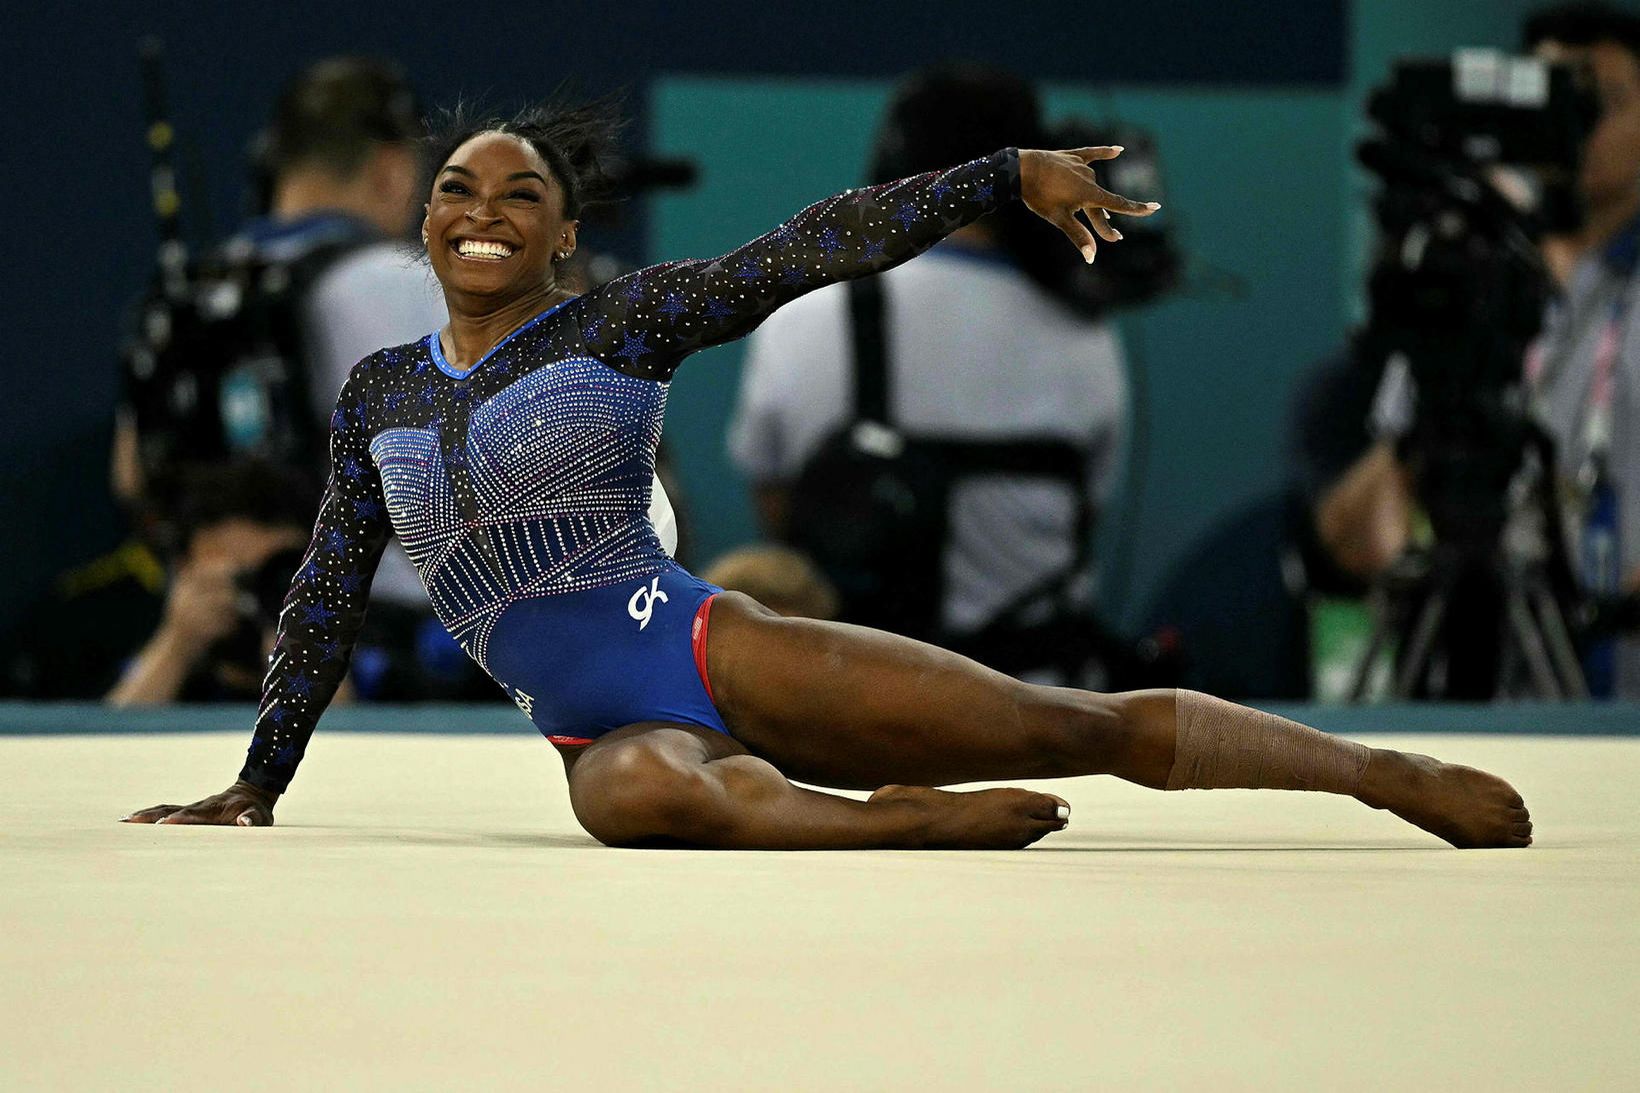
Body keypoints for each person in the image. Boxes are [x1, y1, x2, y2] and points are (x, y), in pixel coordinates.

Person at [122, 102, 1531, 850]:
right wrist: (258, 782)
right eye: (455, 191)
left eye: (519, 196)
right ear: (426, 219)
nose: (478, 214)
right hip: (595, 732)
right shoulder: (379, 391)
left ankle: (1376, 772)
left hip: (712, 648)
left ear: (560, 238)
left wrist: (996, 177)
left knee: (1067, 725)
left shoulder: (624, 322)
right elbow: (322, 590)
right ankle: (890, 826)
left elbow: (813, 247)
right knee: (634, 807)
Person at [728, 66, 1127, 681]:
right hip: (1044, 717)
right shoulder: (1088, 337)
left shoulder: (806, 314)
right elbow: (1084, 519)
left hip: (850, 713)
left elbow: (780, 513)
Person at [1306, 3, 1640, 696]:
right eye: (1551, 97)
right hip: (1480, 667)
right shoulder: (1466, 276)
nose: (1580, 127)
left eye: (1603, 100)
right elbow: (1362, 536)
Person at [4, 461, 312, 702]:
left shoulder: (353, 646)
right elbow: (94, 759)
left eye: (274, 576)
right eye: (234, 577)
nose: (252, 593)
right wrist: (177, 647)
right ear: (182, 571)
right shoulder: (119, 644)